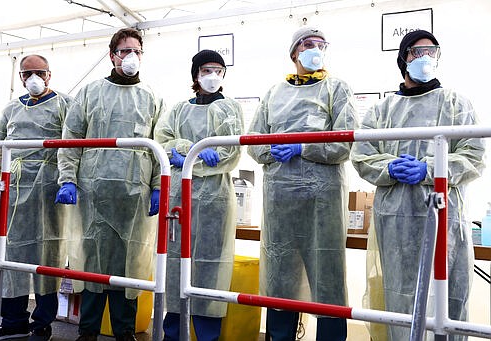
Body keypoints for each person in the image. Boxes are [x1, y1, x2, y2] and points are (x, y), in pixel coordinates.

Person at [351, 30, 486, 340]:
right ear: (403, 59)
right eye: (417, 52)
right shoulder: (381, 111)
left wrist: (430, 168)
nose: (426, 58)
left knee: (448, 293)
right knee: (401, 297)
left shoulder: (456, 104)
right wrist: (389, 167)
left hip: (443, 217)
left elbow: (474, 155)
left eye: (432, 52)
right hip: (395, 220)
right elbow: (362, 156)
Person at [247, 27, 358, 341]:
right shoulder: (273, 93)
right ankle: (281, 336)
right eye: (309, 44)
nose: (316, 49)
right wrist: (273, 149)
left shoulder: (337, 89)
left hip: (322, 201)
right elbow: (254, 142)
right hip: (280, 200)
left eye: (322, 44)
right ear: (294, 52)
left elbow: (345, 143)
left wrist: (303, 147)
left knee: (328, 274)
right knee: (281, 274)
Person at [55, 28, 165, 341]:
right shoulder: (90, 93)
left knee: (129, 265)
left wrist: (159, 186)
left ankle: (124, 332)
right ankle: (88, 331)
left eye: (137, 52)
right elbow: (71, 138)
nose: (131, 57)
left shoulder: (153, 97)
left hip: (134, 195)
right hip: (93, 192)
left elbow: (160, 146)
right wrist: (68, 179)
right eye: (124, 51)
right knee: (92, 263)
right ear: (112, 55)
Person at [0, 54, 73, 341]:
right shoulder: (10, 109)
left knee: (48, 255)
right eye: (27, 73)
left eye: (39, 72)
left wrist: (69, 181)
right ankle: (13, 320)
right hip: (15, 188)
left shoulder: (64, 104)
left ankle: (42, 322)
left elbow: (73, 144)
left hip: (48, 189)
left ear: (49, 74)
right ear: (20, 77)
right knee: (11, 254)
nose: (33, 77)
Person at [154, 49, 243, 341]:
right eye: (207, 70)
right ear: (196, 74)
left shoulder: (230, 108)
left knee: (210, 268)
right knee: (176, 265)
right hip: (181, 196)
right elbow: (162, 140)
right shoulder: (180, 109)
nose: (212, 76)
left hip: (215, 199)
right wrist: (190, 149)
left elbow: (229, 152)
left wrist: (191, 155)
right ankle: (172, 333)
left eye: (218, 70)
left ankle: (207, 335)